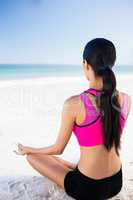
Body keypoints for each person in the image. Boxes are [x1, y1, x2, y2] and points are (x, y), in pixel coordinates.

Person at [14, 38, 132, 200]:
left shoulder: (74, 104)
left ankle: (65, 165)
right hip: (116, 181)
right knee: (61, 161)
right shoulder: (126, 99)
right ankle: (75, 167)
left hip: (88, 187)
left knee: (34, 157)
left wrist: (28, 149)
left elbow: (58, 149)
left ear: (85, 64)